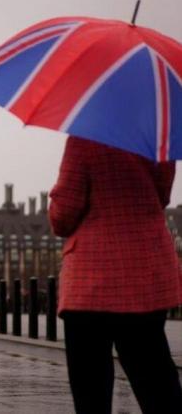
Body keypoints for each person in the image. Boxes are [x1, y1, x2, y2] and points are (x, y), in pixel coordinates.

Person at [50, 136, 182, 414]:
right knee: (156, 381)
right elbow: (161, 197)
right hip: (146, 272)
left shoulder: (85, 137)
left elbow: (63, 216)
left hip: (92, 281)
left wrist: (56, 198)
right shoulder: (158, 137)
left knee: (91, 391)